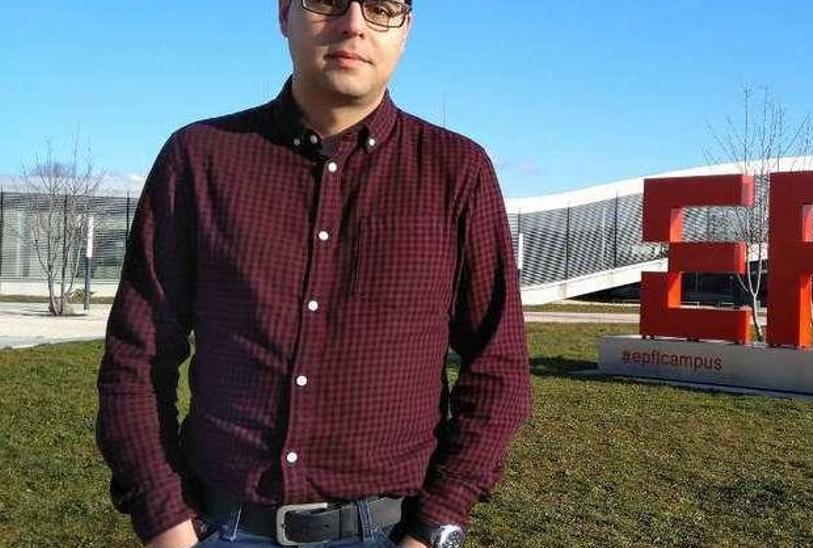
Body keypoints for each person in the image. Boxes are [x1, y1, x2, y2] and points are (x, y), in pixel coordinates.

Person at [95, 1, 531, 546]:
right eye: (326, 1)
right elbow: (135, 358)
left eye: (382, 8)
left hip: (389, 531)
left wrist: (435, 525)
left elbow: (499, 367)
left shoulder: (457, 173)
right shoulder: (200, 161)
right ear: (284, 15)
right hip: (223, 528)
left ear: (406, 28)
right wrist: (165, 523)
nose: (353, 24)